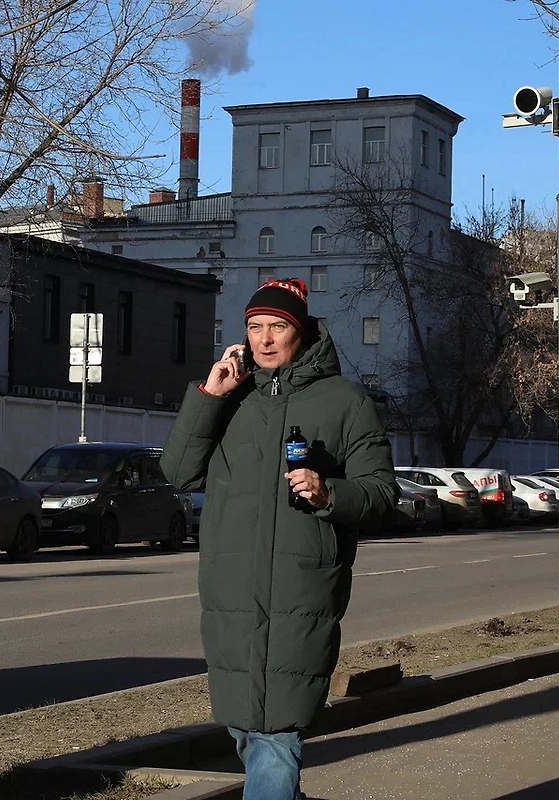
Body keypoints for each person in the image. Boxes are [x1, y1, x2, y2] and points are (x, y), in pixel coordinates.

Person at [160, 277, 399, 800]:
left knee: (276, 732)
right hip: (231, 593)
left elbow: (382, 493)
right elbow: (178, 473)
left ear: (302, 332)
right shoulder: (229, 399)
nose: (265, 339)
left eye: (277, 327)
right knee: (247, 727)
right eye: (254, 327)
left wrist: (327, 492)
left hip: (301, 592)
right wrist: (208, 397)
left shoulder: (345, 402)